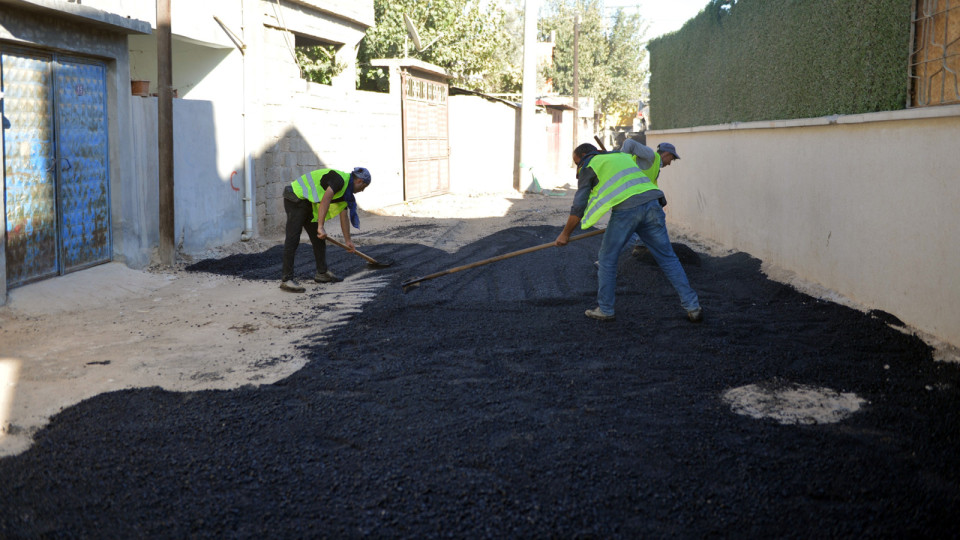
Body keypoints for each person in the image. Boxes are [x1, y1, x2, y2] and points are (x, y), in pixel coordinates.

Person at [555, 143, 702, 323]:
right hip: (653, 205)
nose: (578, 166)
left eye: (577, 162)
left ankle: (605, 309)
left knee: (607, 259)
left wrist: (565, 234)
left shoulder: (590, 164)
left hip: (627, 212)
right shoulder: (619, 156)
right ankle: (693, 306)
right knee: (668, 258)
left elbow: (579, 206)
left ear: (585, 154)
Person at [280, 166, 371, 293]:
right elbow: (326, 200)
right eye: (364, 187)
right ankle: (287, 280)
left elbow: (343, 216)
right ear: (360, 181)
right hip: (295, 196)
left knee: (318, 239)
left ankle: (322, 273)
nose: (362, 190)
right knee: (293, 237)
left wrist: (348, 240)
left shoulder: (346, 193)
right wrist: (320, 226)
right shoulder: (339, 180)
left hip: (307, 201)